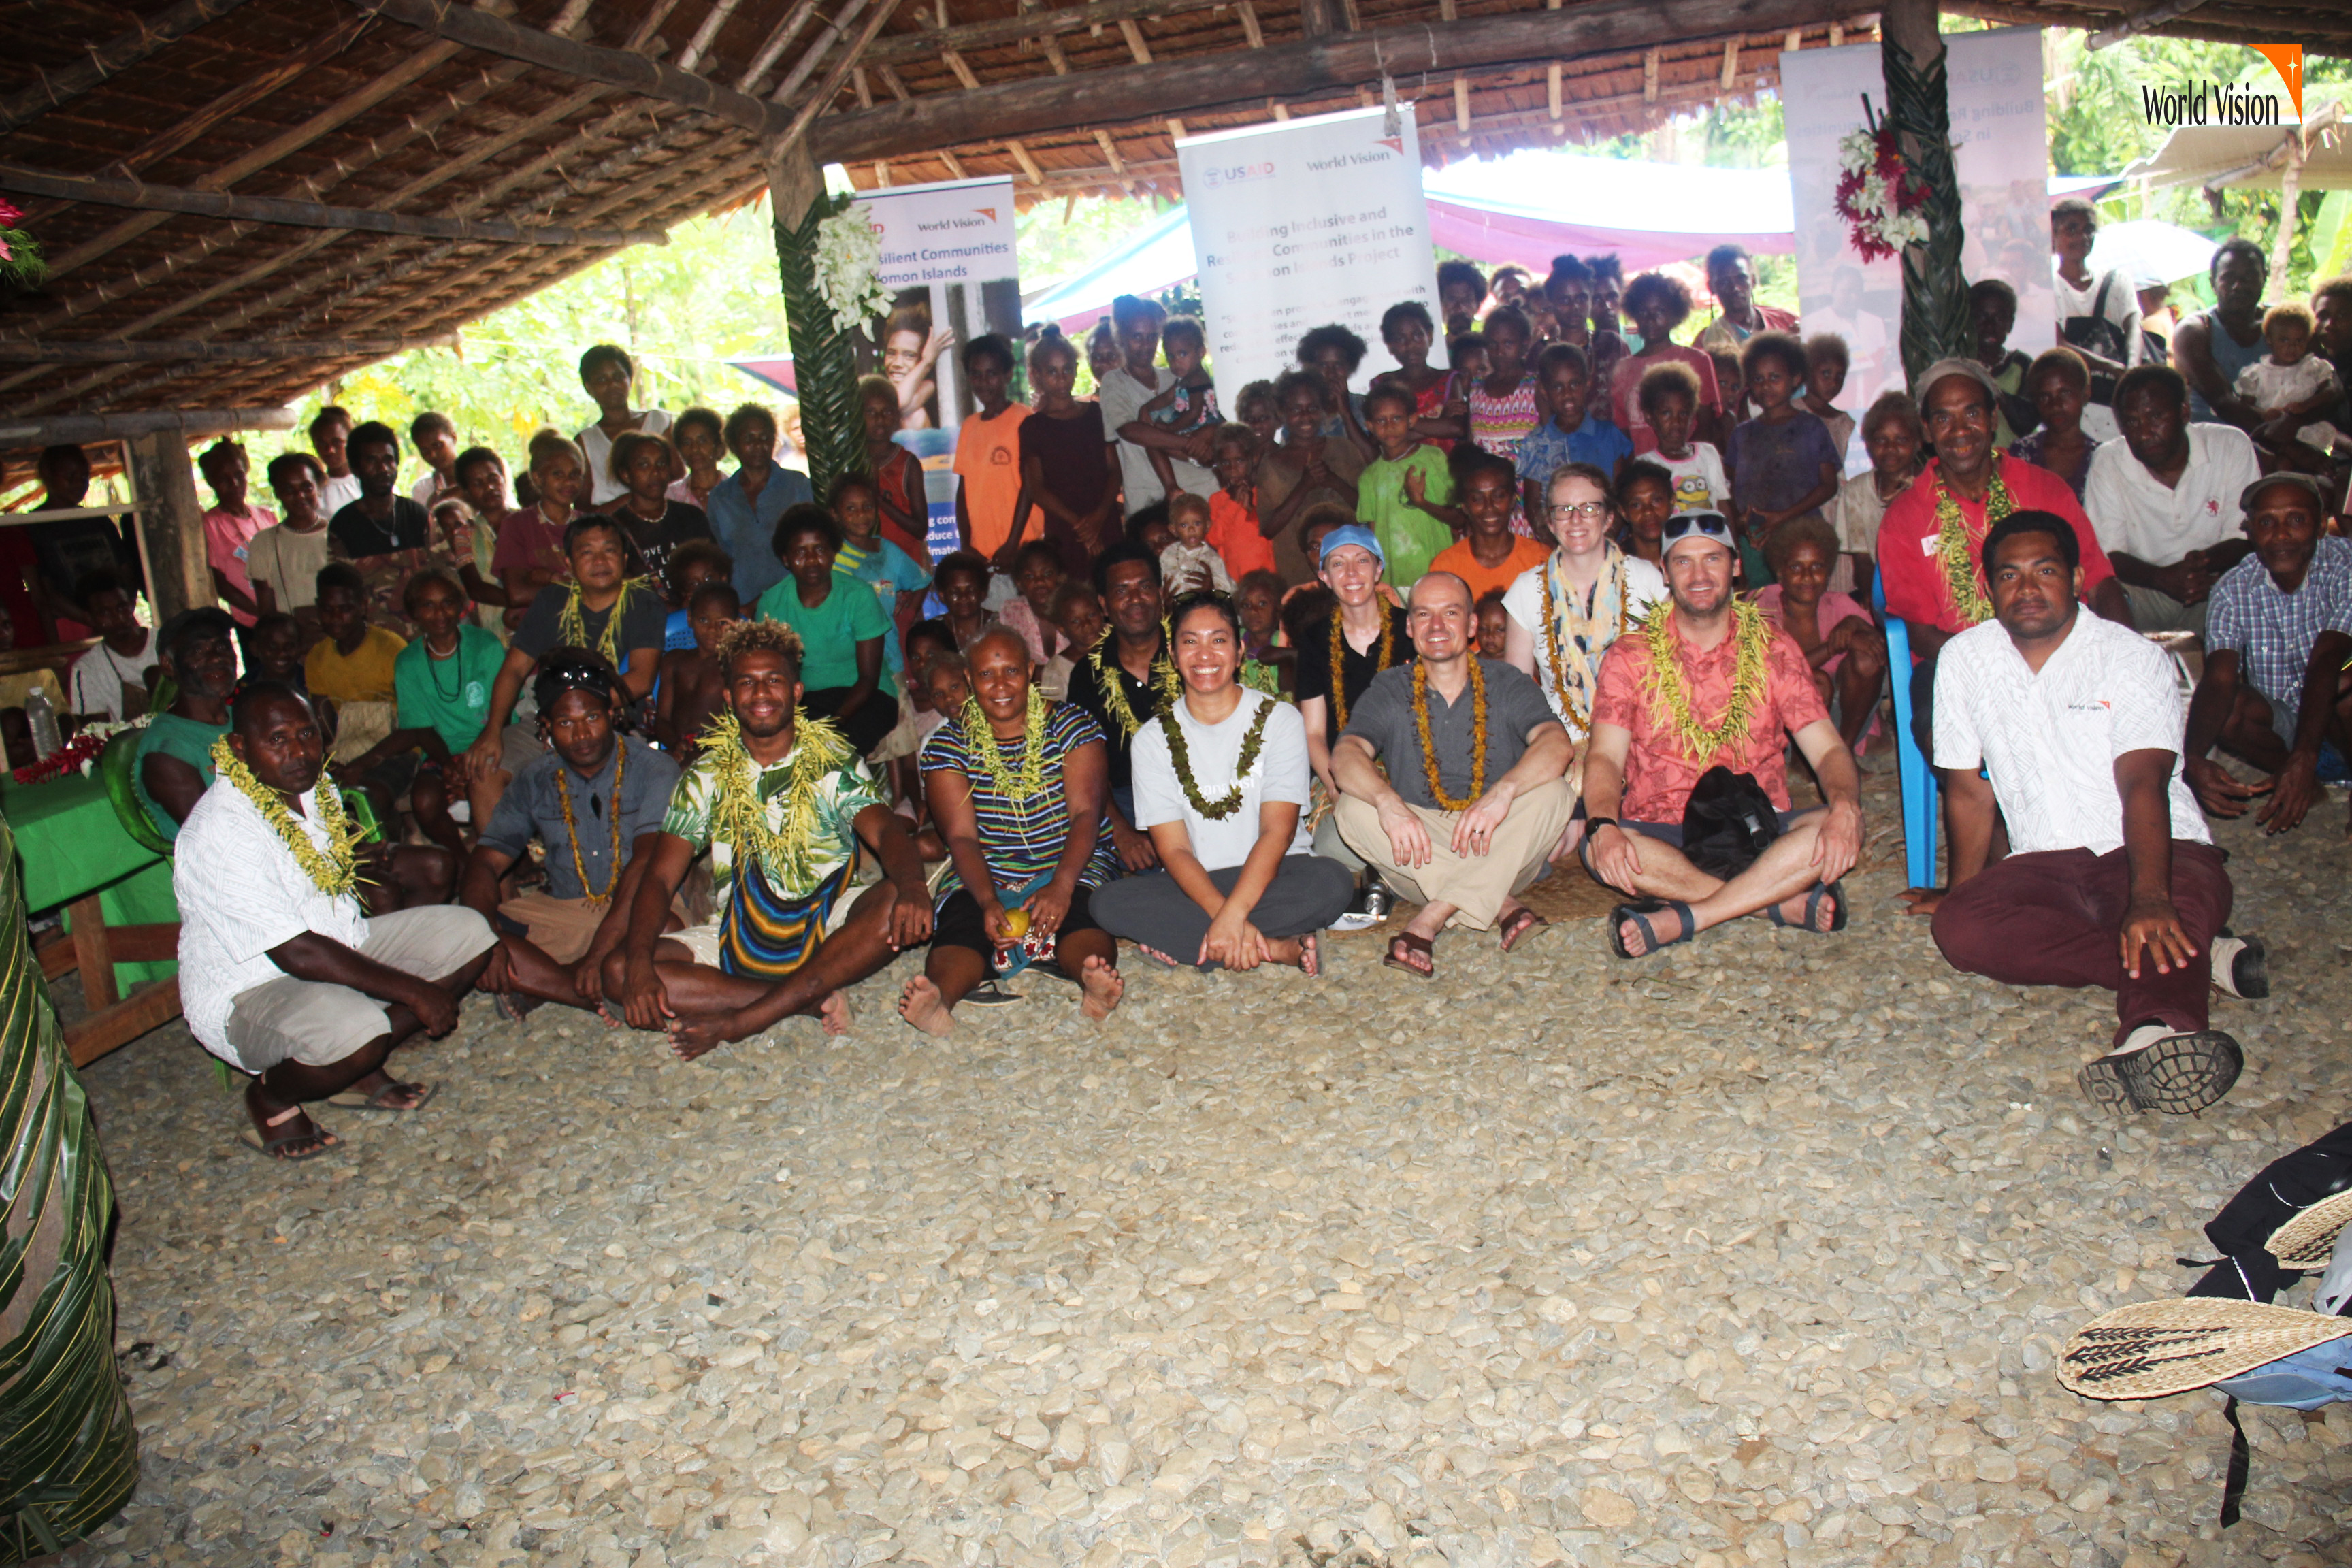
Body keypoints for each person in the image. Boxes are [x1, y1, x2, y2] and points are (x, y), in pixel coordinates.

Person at [1904, 512, 2253, 1117]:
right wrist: (1961, 890)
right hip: (2043, 861)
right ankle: (2198, 955)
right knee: (1961, 930)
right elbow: (1966, 791)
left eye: (2045, 571)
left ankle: (2153, 1036)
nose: (2027, 589)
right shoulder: (1965, 659)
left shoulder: (2130, 656)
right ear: (1990, 589)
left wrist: (2149, 896)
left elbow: (2143, 782)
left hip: (2149, 848)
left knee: (2166, 909)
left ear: (2077, 577)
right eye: (2010, 576)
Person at [173, 680, 494, 1160]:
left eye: (307, 735)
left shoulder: (312, 786)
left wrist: (358, 856)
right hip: (251, 988)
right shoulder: (221, 830)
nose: (299, 752)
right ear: (239, 747)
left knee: (470, 934)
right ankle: (273, 1096)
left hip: (342, 941)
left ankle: (357, 1065)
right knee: (358, 1029)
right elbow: (296, 953)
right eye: (277, 740)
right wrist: (414, 990)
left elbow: (313, 876)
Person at [612, 620, 933, 1057]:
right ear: (729, 698)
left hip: (829, 921)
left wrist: (915, 887)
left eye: (774, 681)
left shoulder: (832, 759)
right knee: (617, 971)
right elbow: (659, 879)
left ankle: (745, 1018)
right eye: (747, 683)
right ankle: (804, 1002)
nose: (761, 694)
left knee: (895, 897)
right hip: (736, 931)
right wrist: (636, 965)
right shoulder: (705, 777)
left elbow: (885, 829)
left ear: (797, 693)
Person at [1581, 509, 1863, 958]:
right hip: (1663, 833)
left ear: (1735, 567)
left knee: (1833, 822)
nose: (1698, 575)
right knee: (1600, 848)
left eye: (1712, 559)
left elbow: (1827, 747)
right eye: (1684, 562)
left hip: (1757, 827)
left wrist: (1847, 807)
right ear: (1665, 573)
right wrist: (1604, 826)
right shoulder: (1630, 654)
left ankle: (1687, 917)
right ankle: (1772, 902)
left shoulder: (1775, 646)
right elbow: (1605, 759)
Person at [1094, 595, 1354, 973]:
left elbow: (1276, 834)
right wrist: (1225, 913)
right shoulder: (1152, 739)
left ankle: (1194, 944)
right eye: (1190, 641)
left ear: (1239, 650)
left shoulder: (1280, 720)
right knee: (1108, 902)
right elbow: (1175, 851)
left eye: (1218, 640)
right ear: (1172, 652)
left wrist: (1233, 913)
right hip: (1197, 886)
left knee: (1332, 882)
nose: (1204, 655)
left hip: (1277, 872)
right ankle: (1275, 947)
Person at [1877, 359, 2128, 747]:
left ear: (1994, 419)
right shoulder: (1905, 517)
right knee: (1945, 738)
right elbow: (1920, 633)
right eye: (1943, 419)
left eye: (1973, 413)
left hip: (2060, 654)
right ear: (1926, 431)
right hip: (1958, 667)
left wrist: (2127, 656)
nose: (1960, 430)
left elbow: (2100, 579)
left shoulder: (2045, 490)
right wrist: (2004, 665)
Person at [1330, 572, 1571, 974]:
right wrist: (1388, 802)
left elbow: (1555, 741)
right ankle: (1502, 904)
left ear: (1472, 625)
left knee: (1556, 793)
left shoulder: (1506, 680)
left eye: (1451, 613)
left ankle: (1430, 919)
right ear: (1410, 627)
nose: (1437, 627)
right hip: (1421, 841)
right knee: (1353, 810)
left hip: (1498, 836)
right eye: (1424, 614)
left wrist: (1504, 793)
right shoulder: (1390, 687)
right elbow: (1347, 753)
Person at [898, 628, 1124, 1034]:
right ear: (969, 678)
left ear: (1031, 672)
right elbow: (962, 839)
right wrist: (987, 901)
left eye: (1012, 671)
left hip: (1068, 857)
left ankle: (1090, 980)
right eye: (986, 674)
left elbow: (1087, 815)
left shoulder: (1071, 725)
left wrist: (1062, 885)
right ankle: (941, 1000)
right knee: (962, 920)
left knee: (1083, 913)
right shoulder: (947, 746)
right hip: (990, 864)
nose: (1000, 685)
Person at [464, 653, 683, 1020]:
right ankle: (583, 990)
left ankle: (549, 983)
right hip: (563, 912)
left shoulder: (654, 767)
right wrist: (483, 938)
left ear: (613, 716)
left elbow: (647, 860)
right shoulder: (535, 778)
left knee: (668, 931)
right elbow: (485, 863)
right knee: (477, 926)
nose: (581, 734)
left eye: (592, 718)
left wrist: (599, 949)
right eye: (566, 722)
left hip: (637, 906)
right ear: (545, 727)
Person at [2183, 474, 2352, 838]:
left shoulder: (2345, 567)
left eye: (2296, 519)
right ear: (2249, 530)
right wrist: (2193, 757)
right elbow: (2219, 679)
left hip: (2339, 717)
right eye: (2266, 522)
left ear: (2321, 525)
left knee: (2345, 684)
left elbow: (2328, 657)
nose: (2280, 534)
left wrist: (2304, 756)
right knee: (2229, 709)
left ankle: (2310, 772)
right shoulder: (2233, 588)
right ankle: (2307, 784)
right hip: (2292, 724)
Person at [468, 517, 666, 808]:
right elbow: (513, 670)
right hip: (543, 720)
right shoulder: (552, 600)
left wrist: (572, 717)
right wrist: (493, 730)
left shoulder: (643, 603)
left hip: (610, 724)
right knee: (485, 770)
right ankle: (512, 855)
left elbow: (640, 678)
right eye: (587, 552)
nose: (600, 561)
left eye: (609, 551)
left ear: (624, 559)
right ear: (569, 564)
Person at [1502, 463, 1669, 760]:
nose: (1575, 519)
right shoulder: (1526, 590)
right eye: (1563, 509)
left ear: (1609, 518)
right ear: (1550, 522)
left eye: (1589, 508)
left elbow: (1670, 672)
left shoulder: (1648, 580)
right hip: (1563, 747)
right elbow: (1518, 689)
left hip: (1643, 741)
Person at [1293, 526, 1414, 922]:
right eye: (1338, 564)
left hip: (1411, 770)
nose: (1351, 573)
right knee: (1331, 841)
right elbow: (1313, 733)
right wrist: (1336, 788)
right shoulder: (1313, 641)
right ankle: (1393, 876)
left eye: (1362, 560)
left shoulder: (1413, 628)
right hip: (1342, 774)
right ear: (1324, 577)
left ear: (1379, 570)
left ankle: (1383, 874)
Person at [2083, 365, 2260, 635]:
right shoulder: (2109, 461)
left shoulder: (2230, 445)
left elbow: (2245, 536)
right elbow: (2108, 554)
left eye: (2156, 417)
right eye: (2132, 422)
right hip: (2143, 588)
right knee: (2102, 591)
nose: (2144, 433)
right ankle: (2126, 665)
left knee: (2250, 582)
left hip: (2212, 582)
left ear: (2184, 413)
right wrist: (2161, 578)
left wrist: (2197, 568)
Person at [754, 506, 898, 758]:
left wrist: (835, 723)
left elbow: (868, 678)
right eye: (800, 552)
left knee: (840, 748)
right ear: (785, 559)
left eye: (820, 549)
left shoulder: (858, 596)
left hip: (865, 697)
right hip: (805, 699)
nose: (811, 560)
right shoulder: (772, 603)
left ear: (833, 554)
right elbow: (776, 674)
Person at [1064, 542, 1169, 871]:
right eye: (1122, 590)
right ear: (1104, 604)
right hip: (1128, 802)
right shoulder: (1087, 675)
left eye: (1145, 587)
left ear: (1161, 594)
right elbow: (1086, 772)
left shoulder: (1192, 650)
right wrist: (1120, 831)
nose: (1135, 599)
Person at [394, 568, 510, 854]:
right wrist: (449, 764)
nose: (440, 613)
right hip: (444, 752)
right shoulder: (407, 661)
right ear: (414, 613)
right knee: (424, 800)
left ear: (460, 606)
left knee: (484, 779)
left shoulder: (485, 644)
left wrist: (473, 758)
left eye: (447, 602)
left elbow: (503, 708)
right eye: (428, 605)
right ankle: (460, 862)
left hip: (493, 738)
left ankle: (510, 860)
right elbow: (421, 728)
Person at [1759, 517, 1885, 754]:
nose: (1807, 576)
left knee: (1867, 657)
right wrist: (1832, 646)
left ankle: (1843, 752)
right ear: (1780, 573)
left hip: (1838, 715)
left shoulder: (1839, 604)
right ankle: (1803, 761)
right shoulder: (1762, 606)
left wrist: (1857, 624)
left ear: (1828, 573)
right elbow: (1776, 675)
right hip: (1780, 721)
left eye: (1817, 567)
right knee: (1816, 681)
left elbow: (1885, 651)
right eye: (1796, 567)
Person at [1725, 331, 1841, 589]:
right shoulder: (1742, 434)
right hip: (1756, 540)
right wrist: (1741, 522)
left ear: (1795, 379)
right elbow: (1732, 488)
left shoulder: (1811, 427)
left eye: (1775, 377)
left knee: (1803, 600)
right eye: (1758, 379)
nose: (1766, 386)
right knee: (1761, 607)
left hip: (1803, 536)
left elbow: (1829, 485)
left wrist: (1784, 517)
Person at [1102, 294, 1217, 519]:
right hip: (1149, 501)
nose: (1146, 345)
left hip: (1201, 488)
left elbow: (1208, 418)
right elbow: (1131, 430)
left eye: (1152, 337)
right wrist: (1189, 444)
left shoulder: (1176, 377)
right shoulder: (1114, 382)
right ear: (1121, 338)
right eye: (1137, 337)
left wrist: (1201, 449)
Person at [1014, 329, 1118, 577]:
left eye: (1067, 369)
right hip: (1065, 529)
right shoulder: (1032, 427)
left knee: (1113, 587)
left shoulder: (1095, 413)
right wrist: (1080, 526)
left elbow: (1115, 470)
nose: (1061, 379)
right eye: (1052, 371)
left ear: (1075, 369)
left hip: (1105, 521)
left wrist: (1099, 517)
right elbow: (1036, 488)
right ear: (1037, 375)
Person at [134, 608, 238, 843]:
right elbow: (216, 838)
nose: (216, 657)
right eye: (198, 650)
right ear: (168, 665)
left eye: (222, 647)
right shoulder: (166, 751)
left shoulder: (245, 720)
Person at [1257, 369, 1367, 583]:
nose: (1306, 416)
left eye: (1313, 408)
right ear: (1282, 412)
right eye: (1296, 409)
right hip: (1298, 575)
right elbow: (1269, 529)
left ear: (1323, 409)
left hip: (1349, 573)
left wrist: (1334, 482)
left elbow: (1367, 509)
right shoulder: (1271, 464)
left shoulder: (1344, 449)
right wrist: (1304, 485)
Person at [1355, 382, 1464, 587]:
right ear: (1370, 425)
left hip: (1437, 573)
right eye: (1381, 420)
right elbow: (1372, 534)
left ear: (1412, 420)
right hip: (1394, 581)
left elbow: (1459, 520)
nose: (1390, 426)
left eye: (1397, 418)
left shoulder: (1434, 459)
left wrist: (1421, 502)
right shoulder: (1369, 477)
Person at [706, 403, 815, 606]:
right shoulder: (721, 498)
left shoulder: (797, 485)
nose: (758, 445)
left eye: (765, 437)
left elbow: (814, 548)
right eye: (749, 439)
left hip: (796, 602)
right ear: (733, 444)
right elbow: (721, 557)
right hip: (743, 606)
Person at [1515, 342, 1633, 525]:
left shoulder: (1609, 435)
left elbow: (1619, 496)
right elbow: (1533, 506)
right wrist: (1555, 545)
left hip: (1606, 538)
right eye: (1557, 387)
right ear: (1545, 391)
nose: (1567, 394)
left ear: (1588, 383)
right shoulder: (1536, 443)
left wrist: (1607, 539)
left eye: (1574, 384)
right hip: (1560, 542)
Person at [1610, 273, 1726, 451]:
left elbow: (1706, 425)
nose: (1651, 319)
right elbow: (1623, 432)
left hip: (1688, 470)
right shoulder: (1623, 370)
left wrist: (1680, 461)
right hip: (1643, 471)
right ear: (1634, 314)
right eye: (1643, 312)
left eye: (1660, 312)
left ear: (1676, 315)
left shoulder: (1697, 361)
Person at [1824, 390, 1923, 600]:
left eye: (1901, 439)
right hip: (1880, 589)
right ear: (1867, 444)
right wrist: (1874, 599)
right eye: (1880, 440)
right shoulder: (1856, 492)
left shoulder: (1931, 486)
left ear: (1918, 442)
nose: (1890, 449)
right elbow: (1862, 560)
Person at [492, 430, 587, 630]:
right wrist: (574, 585)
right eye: (558, 474)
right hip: (540, 631)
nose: (568, 482)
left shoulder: (590, 525)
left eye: (575, 474)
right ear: (537, 478)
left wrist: (549, 580)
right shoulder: (517, 525)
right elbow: (517, 594)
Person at [2050, 197, 2142, 399]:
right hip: (2071, 398)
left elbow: (2134, 328)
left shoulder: (2118, 281)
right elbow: (2057, 343)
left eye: (2089, 229)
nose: (2082, 236)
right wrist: (2113, 368)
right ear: (2053, 237)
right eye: (2071, 229)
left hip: (2116, 398)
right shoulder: (2047, 287)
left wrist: (2132, 371)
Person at [2173, 238, 2270, 428]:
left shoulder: (2284, 322)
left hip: (2277, 435)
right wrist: (2291, 448)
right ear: (2213, 282)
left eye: (2249, 276)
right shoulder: (2195, 331)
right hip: (2212, 440)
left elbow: (2326, 381)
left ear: (2265, 277)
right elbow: (2224, 403)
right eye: (2229, 277)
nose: (2238, 286)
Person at [951, 334, 1030, 566]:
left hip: (1022, 551)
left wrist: (1013, 544)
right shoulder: (969, 426)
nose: (983, 381)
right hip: (981, 555)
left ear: (1007, 375)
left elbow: (1031, 487)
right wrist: (966, 545)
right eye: (976, 374)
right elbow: (963, 492)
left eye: (992, 373)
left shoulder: (1024, 420)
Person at [1433, 450, 1549, 606]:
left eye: (1499, 496)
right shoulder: (1446, 566)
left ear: (1513, 500)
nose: (1489, 507)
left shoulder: (1540, 559)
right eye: (1477, 499)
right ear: (1465, 506)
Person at [605, 429, 715, 584]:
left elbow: (715, 571)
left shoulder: (691, 516)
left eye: (661, 463)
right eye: (644, 465)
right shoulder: (614, 528)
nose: (656, 472)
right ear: (626, 474)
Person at [1134, 315, 1225, 498]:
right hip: (1190, 437)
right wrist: (1147, 408)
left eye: (1183, 354)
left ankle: (1174, 485)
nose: (1176, 361)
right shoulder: (1183, 380)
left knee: (1156, 441)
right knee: (1153, 443)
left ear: (1201, 352)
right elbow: (1167, 397)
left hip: (1202, 435)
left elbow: (1194, 413)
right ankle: (1172, 487)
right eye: (1171, 356)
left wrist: (1169, 429)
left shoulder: (1198, 378)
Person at [2236, 302, 2342, 456]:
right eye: (2284, 340)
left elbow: (2331, 391)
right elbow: (2245, 406)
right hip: (2270, 436)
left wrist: (2306, 405)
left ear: (2308, 340)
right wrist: (2262, 413)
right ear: (2270, 340)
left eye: (2299, 341)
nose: (2292, 347)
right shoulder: (2256, 374)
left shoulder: (2313, 367)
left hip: (2305, 430)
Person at [652, 578, 740, 761]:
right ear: (690, 619)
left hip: (720, 753)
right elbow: (662, 720)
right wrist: (677, 745)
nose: (712, 629)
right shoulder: (673, 660)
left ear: (736, 624)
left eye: (722, 623)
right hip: (676, 749)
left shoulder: (735, 664)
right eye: (703, 620)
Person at [250, 451, 335, 638]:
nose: (300, 495)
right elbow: (266, 610)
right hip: (293, 643)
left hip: (338, 640)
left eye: (307, 487)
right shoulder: (263, 543)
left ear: (318, 488)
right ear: (277, 493)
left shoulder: (339, 535)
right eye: (289, 490)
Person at [575, 343, 672, 508]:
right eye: (602, 380)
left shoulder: (658, 421)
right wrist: (630, 501)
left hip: (662, 517)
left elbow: (678, 481)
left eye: (619, 377)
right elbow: (582, 506)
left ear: (630, 380)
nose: (612, 385)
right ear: (589, 388)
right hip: (610, 525)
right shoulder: (586, 441)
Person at [197, 440, 272, 630]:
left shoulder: (266, 516)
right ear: (211, 482)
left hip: (285, 614)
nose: (234, 483)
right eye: (223, 479)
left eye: (239, 475)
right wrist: (263, 613)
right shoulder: (210, 524)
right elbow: (221, 584)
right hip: (250, 621)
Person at [1638, 363, 1730, 517]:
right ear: (1650, 417)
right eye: (1666, 413)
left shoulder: (1708, 454)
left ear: (1692, 415)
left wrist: (1732, 541)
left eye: (1683, 413)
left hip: (1712, 538)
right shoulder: (1646, 465)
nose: (1676, 422)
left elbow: (1722, 504)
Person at [859, 375, 932, 567]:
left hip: (906, 568)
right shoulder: (852, 463)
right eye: (871, 412)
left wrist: (879, 501)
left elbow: (920, 528)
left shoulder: (908, 464)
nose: (880, 420)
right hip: (865, 569)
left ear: (898, 417)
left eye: (887, 412)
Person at [65, 570, 157, 723]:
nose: (117, 618)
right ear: (90, 618)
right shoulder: (87, 669)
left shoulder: (165, 642)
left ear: (132, 605)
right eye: (105, 613)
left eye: (122, 608)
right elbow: (96, 732)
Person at [1466, 305, 1542, 486]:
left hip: (1527, 492)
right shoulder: (1477, 388)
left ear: (1525, 343)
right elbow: (1472, 443)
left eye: (1508, 343)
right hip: (1488, 495)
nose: (1500, 352)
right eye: (1493, 344)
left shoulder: (1536, 387)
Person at [2009, 347, 2097, 502]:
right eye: (2044, 397)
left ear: (2086, 393)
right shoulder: (2022, 453)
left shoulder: (2100, 457)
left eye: (2065, 393)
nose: (2055, 405)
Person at [1382, 300, 1466, 451]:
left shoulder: (1449, 380)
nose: (1410, 344)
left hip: (1446, 469)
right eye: (1401, 339)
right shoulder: (1384, 384)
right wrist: (1441, 421)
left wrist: (1402, 425)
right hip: (1403, 471)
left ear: (1430, 336)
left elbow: (1455, 428)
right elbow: (1384, 437)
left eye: (1417, 335)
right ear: (1390, 345)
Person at [1966, 280, 2040, 450]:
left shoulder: (2022, 365)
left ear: (2010, 324)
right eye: (1981, 317)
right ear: (1968, 321)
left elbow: (2026, 423)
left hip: (2018, 466)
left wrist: (1991, 387)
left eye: (1999, 318)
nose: (1990, 326)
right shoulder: (1957, 366)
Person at [1694, 244, 1798, 359]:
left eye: (1741, 279)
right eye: (1724, 282)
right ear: (1712, 288)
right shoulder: (1705, 344)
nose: (1735, 288)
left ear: (1752, 281)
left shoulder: (1786, 322)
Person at [1160, 491, 1233, 596]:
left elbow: (1227, 591)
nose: (1191, 530)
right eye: (1184, 525)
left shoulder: (1213, 559)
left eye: (1197, 523)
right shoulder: (1167, 554)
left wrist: (1212, 589)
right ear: (1173, 529)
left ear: (1207, 525)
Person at [1800, 334, 1855, 461]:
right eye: (1826, 373)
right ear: (1807, 372)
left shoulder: (1844, 421)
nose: (1834, 382)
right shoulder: (1790, 411)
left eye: (1840, 376)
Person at [1615, 459, 1673, 570]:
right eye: (1636, 505)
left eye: (1656, 501)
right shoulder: (1614, 565)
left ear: (1672, 501)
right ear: (1623, 512)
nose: (1648, 511)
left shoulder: (1689, 554)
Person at [668, 406, 729, 511]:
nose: (695, 448)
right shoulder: (670, 496)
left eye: (702, 441)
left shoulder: (738, 490)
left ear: (718, 445)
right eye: (687, 443)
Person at [310, 406, 362, 516]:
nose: (330, 450)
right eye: (322, 444)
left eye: (337, 442)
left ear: (351, 443)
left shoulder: (368, 482)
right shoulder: (314, 491)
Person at [408, 412, 462, 510]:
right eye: (425, 451)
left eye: (437, 445)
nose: (432, 455)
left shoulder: (479, 478)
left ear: (454, 438)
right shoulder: (422, 489)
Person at [1437, 260, 1487, 340]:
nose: (1459, 308)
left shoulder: (1489, 350)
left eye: (1466, 301)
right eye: (1452, 300)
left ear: (1478, 306)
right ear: (1440, 304)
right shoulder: (1429, 350)